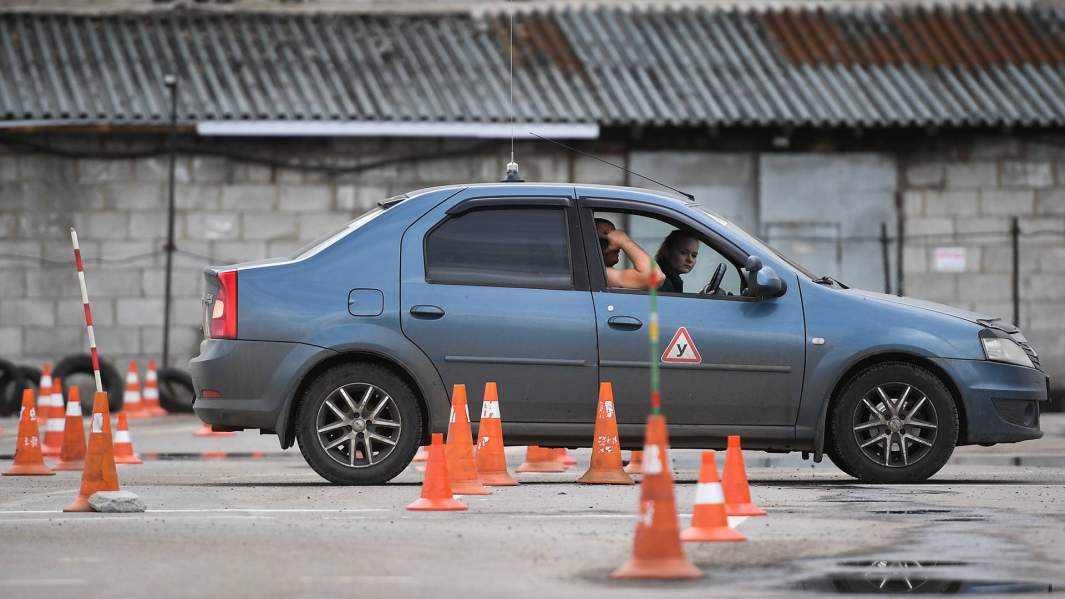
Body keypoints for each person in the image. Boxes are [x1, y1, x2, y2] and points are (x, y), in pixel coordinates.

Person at [595, 218, 662, 289]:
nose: (618, 245)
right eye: (609, 237)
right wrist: (623, 240)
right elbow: (655, 277)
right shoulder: (595, 274)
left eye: (615, 237)